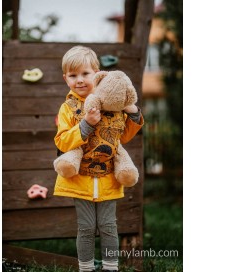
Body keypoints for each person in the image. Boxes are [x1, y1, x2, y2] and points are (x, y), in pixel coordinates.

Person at [54, 45, 144, 272]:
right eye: (73, 76)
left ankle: (111, 268)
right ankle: (85, 268)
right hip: (80, 179)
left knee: (108, 226)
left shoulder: (112, 106)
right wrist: (86, 125)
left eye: (85, 74)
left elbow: (122, 136)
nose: (80, 80)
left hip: (107, 178)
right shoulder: (68, 108)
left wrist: (132, 113)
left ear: (97, 74)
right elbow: (62, 141)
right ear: (66, 79)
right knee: (85, 227)